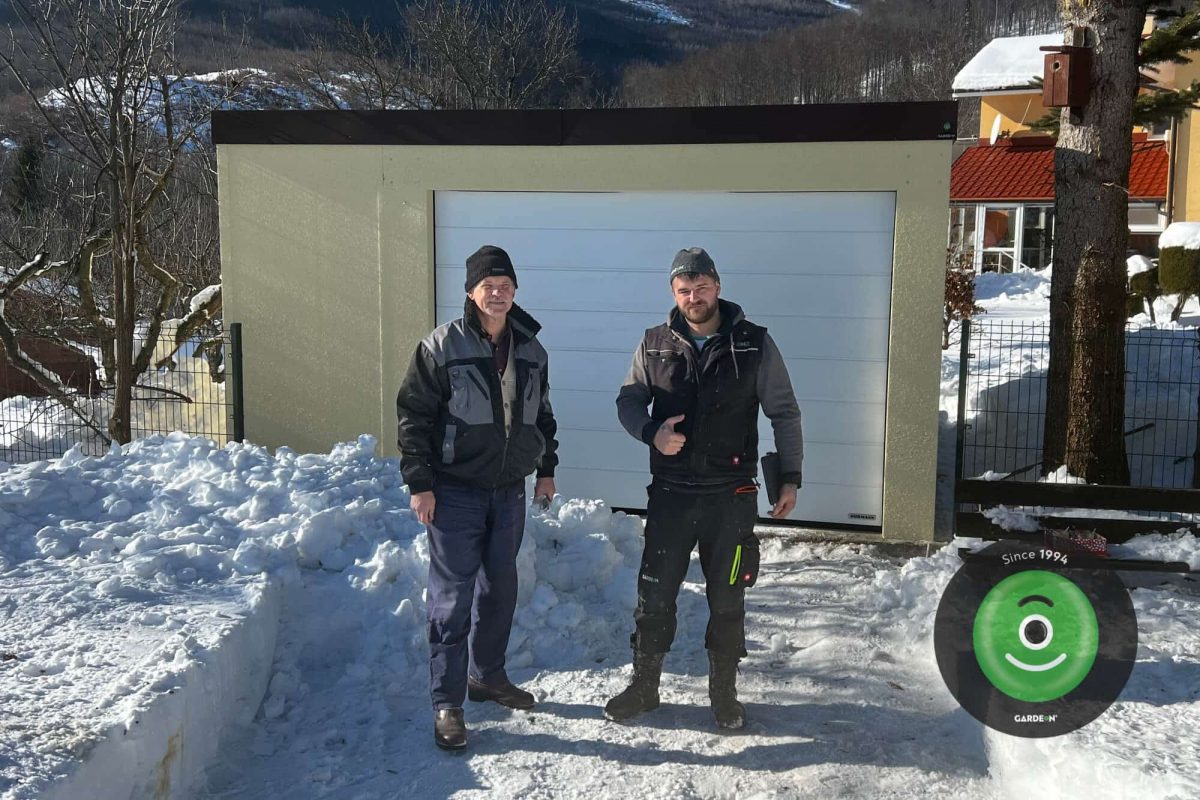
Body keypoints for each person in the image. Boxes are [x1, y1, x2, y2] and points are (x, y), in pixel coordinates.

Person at [607, 247, 803, 730]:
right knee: (654, 597)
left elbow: (783, 411)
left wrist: (790, 477)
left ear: (717, 286)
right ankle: (644, 686)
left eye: (701, 288)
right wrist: (652, 433)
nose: (693, 297)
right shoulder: (654, 344)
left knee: (728, 599)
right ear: (673, 293)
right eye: (684, 290)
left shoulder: (754, 343)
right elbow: (628, 400)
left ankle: (723, 694)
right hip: (670, 496)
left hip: (730, 497)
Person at [396, 244, 558, 751]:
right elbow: (414, 416)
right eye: (489, 286)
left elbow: (542, 415)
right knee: (451, 598)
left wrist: (546, 471)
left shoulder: (531, 348)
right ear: (471, 291)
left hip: (508, 491)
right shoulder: (441, 346)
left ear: (515, 291)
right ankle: (447, 702)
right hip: (455, 492)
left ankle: (487, 676)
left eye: (505, 286)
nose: (498, 293)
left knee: (500, 589)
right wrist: (420, 483)